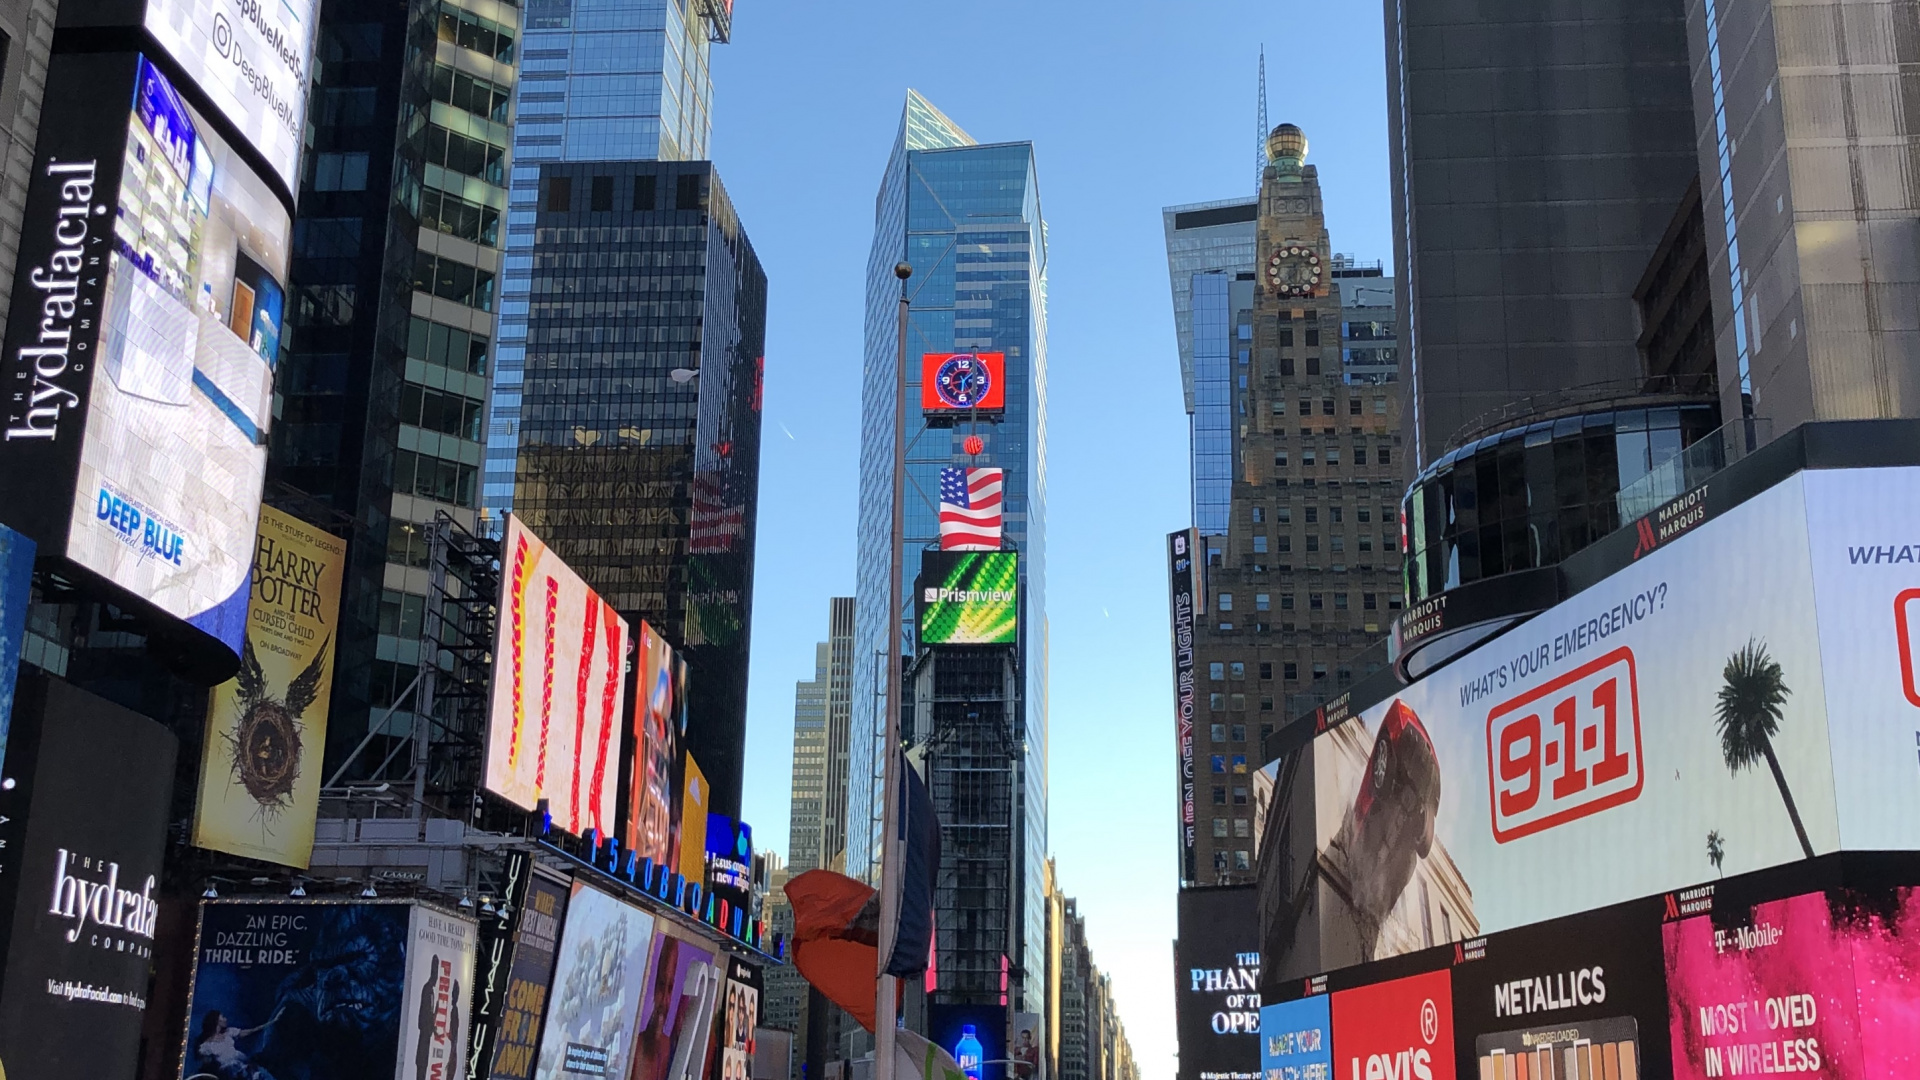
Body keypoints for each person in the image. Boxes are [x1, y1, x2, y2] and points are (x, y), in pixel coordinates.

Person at [190, 1009, 282, 1080]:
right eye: (223, 1017)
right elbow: (206, 1064)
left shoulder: (229, 1032)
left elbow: (252, 1030)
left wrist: (273, 1021)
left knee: (261, 1073)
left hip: (243, 1063)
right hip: (231, 1072)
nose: (225, 1019)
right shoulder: (207, 1046)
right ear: (217, 1021)